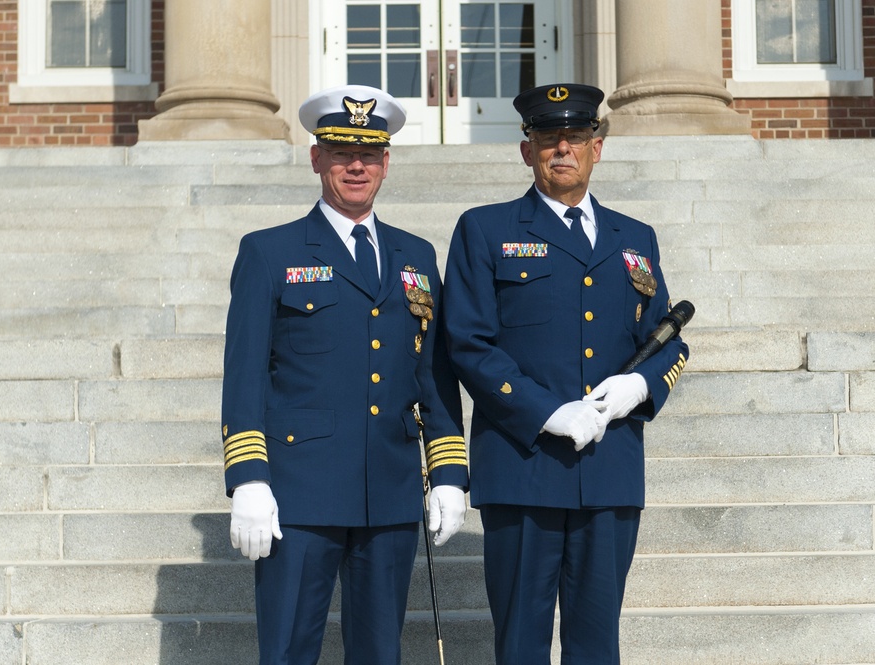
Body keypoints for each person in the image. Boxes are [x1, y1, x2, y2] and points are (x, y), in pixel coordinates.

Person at [220, 84, 469, 665]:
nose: (355, 166)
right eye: (339, 152)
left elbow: (432, 372)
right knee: (287, 650)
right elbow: (245, 373)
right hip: (300, 490)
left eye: (369, 153)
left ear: (386, 162)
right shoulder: (270, 252)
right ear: (315, 159)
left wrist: (450, 470)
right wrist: (249, 478)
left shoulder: (415, 255)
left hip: (389, 489)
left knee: (380, 653)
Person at [441, 83, 689, 664]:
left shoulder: (636, 238)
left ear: (596, 148)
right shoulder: (485, 229)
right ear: (526, 151)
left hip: (610, 470)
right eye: (547, 138)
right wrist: (547, 412)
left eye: (576, 137)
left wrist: (639, 387)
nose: (562, 149)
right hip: (523, 466)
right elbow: (468, 343)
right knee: (522, 642)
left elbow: (669, 342)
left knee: (597, 643)